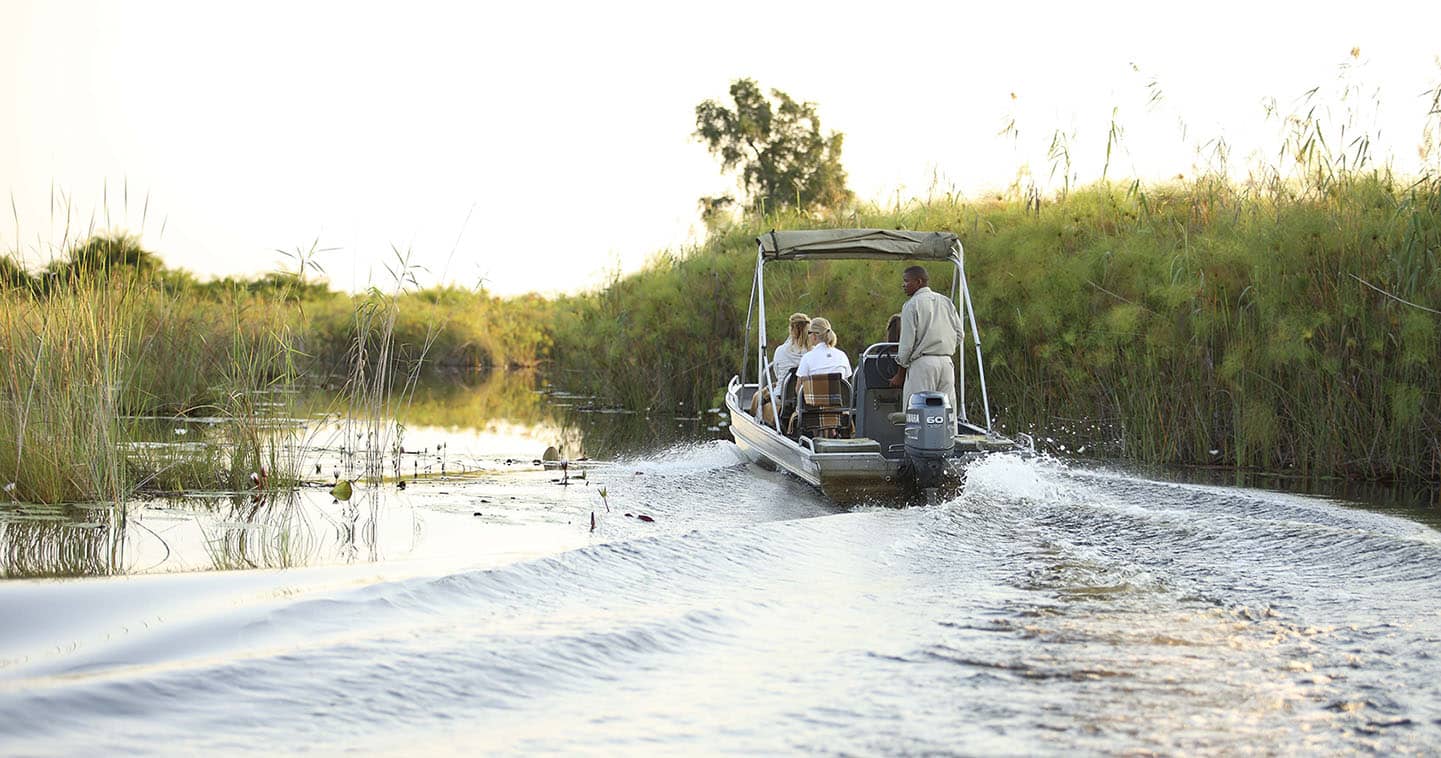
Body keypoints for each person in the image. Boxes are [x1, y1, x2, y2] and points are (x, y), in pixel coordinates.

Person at [890, 265, 964, 415]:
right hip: (946, 363)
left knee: (918, 412)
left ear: (918, 282)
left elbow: (906, 346)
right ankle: (948, 438)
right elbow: (959, 334)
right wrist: (942, 347)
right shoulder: (946, 302)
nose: (903, 285)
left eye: (906, 281)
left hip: (922, 365)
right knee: (947, 412)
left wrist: (900, 375)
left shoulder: (911, 305)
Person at [770, 312, 810, 383]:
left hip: (782, 392)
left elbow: (777, 372)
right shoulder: (813, 352)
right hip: (805, 392)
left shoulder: (780, 350)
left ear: (791, 329)